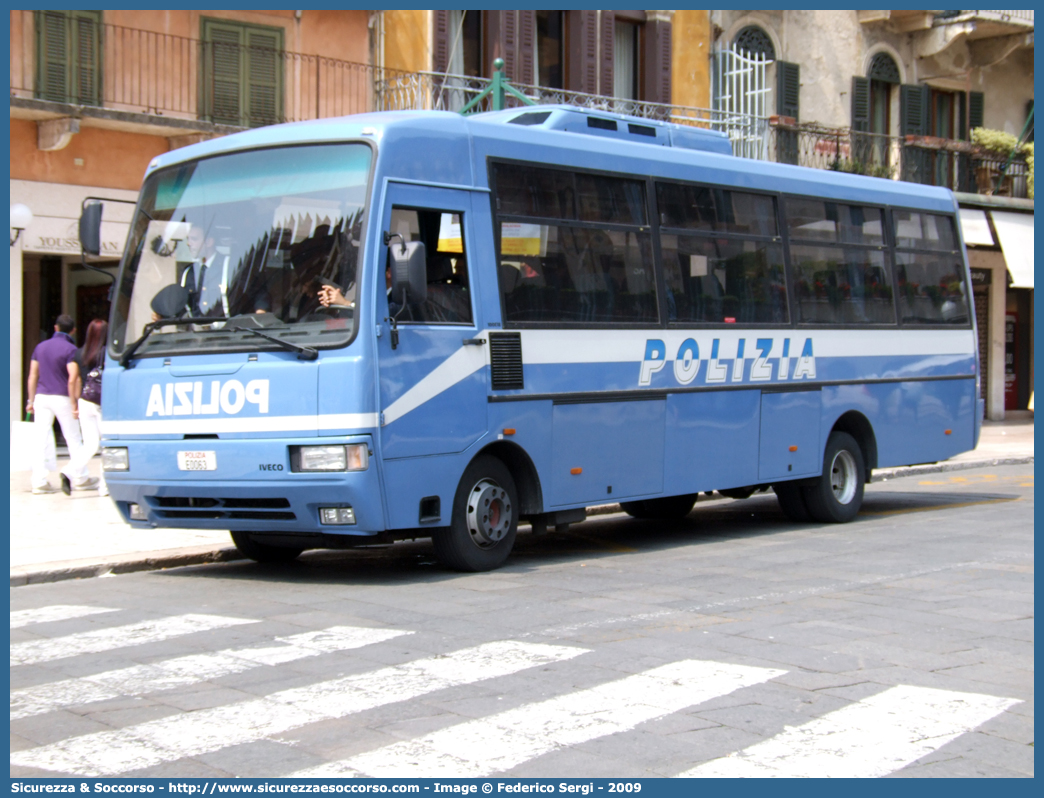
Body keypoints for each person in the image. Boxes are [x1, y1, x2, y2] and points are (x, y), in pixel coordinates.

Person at [26, 314, 97, 495]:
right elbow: (73, 377)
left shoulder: (40, 348)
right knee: (73, 438)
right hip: (63, 397)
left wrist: (30, 400)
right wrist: (74, 403)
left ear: (56, 328)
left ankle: (39, 481)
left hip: (41, 397)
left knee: (40, 439)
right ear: (72, 330)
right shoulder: (71, 349)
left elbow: (33, 375)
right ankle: (80, 478)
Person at [67, 319, 109, 497]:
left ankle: (68, 471)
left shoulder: (79, 354)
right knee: (106, 443)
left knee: (90, 444)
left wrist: (74, 403)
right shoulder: (107, 353)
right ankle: (105, 487)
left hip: (84, 400)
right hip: (102, 401)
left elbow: (74, 380)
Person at [180, 223, 226, 317]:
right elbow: (181, 307)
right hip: (198, 330)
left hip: (227, 329)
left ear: (209, 242)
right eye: (188, 239)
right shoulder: (189, 272)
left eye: (194, 239)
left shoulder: (227, 265)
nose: (188, 243)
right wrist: (162, 315)